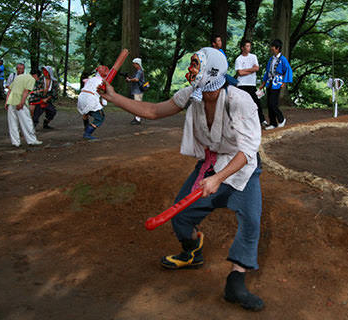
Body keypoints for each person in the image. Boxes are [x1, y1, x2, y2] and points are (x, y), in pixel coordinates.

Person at [100, 47, 265, 311]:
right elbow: (153, 110)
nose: (191, 70)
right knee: (182, 217)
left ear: (212, 71)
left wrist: (218, 179)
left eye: (196, 65)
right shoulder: (194, 95)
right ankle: (192, 251)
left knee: (251, 221)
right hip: (211, 164)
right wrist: (114, 96)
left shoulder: (239, 100)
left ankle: (236, 281)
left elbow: (248, 151)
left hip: (241, 167)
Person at [260, 39, 292, 130]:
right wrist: (263, 83)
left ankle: (281, 119)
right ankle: (273, 123)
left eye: (273, 47)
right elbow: (267, 72)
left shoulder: (283, 59)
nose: (271, 49)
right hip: (270, 82)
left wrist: (284, 82)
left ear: (277, 48)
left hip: (277, 83)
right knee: (269, 104)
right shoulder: (271, 59)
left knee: (273, 103)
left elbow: (288, 70)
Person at [5, 67, 42, 147]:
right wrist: (21, 103)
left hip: (11, 102)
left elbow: (10, 90)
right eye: (38, 77)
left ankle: (15, 142)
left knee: (13, 123)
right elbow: (26, 91)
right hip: (19, 102)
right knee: (27, 122)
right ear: (35, 75)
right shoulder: (31, 79)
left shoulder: (19, 77)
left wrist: (6, 102)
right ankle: (31, 140)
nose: (37, 79)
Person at [235, 39, 267, 126]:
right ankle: (242, 122)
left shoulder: (253, 57)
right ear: (242, 48)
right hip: (241, 84)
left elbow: (256, 68)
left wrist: (245, 70)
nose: (249, 48)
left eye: (250, 46)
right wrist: (251, 70)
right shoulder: (239, 59)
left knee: (256, 102)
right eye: (247, 46)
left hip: (251, 84)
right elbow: (240, 73)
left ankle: (262, 120)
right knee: (242, 103)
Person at [77, 65, 109, 139]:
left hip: (81, 97)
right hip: (90, 98)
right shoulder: (102, 82)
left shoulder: (91, 79)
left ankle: (86, 128)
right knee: (100, 117)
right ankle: (87, 134)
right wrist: (104, 104)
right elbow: (103, 96)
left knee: (85, 113)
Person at [126, 58, 145, 125]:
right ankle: (137, 118)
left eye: (134, 63)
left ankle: (137, 119)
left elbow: (136, 79)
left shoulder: (139, 71)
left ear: (138, 64)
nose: (133, 65)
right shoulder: (139, 71)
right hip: (137, 90)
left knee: (137, 105)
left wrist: (130, 80)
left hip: (137, 91)